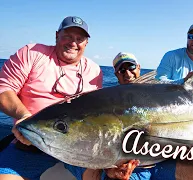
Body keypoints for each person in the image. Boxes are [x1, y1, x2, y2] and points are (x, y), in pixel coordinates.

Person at [0, 16, 132, 180]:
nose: (73, 43)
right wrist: (24, 116)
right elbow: (4, 90)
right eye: (67, 36)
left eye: (79, 39)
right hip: (32, 141)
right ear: (57, 35)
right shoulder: (32, 53)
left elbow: (96, 113)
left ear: (86, 43)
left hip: (78, 146)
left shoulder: (94, 70)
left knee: (97, 175)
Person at [78, 52, 193, 180]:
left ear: (138, 67)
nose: (128, 73)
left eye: (131, 67)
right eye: (121, 70)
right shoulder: (109, 104)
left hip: (164, 161)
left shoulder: (159, 91)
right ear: (116, 73)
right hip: (135, 169)